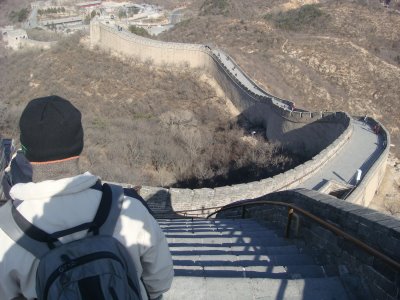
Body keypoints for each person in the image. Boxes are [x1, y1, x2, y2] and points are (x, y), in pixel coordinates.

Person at [0, 95, 173, 300]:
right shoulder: (128, 208)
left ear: (25, 152)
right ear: (80, 144)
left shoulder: (6, 229)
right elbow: (161, 281)